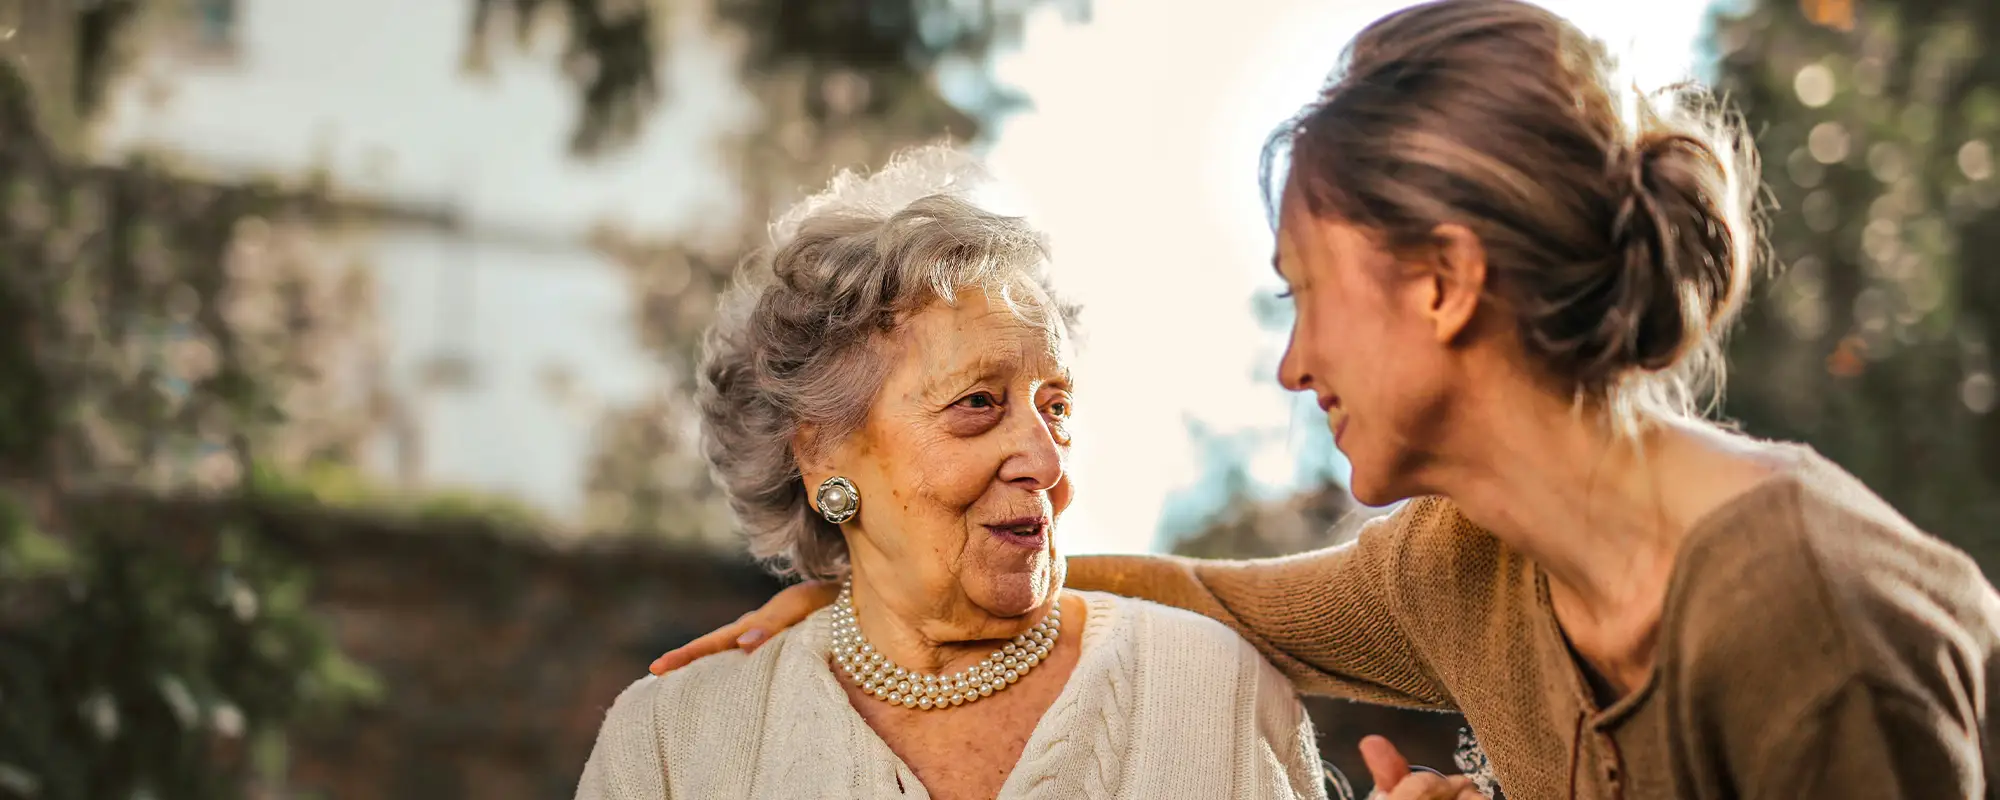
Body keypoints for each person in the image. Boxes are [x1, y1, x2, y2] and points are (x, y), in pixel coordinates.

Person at [646, 1, 2000, 798]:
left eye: (1304, 292)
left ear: (1444, 284)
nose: (1293, 364)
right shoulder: (1470, 569)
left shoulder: (1795, 616)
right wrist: (878, 583)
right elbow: (1201, 598)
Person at [573, 145, 1340, 800]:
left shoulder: (1217, 692)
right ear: (823, 455)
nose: (1046, 462)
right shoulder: (672, 746)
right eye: (978, 403)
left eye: (1057, 406)